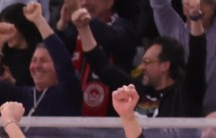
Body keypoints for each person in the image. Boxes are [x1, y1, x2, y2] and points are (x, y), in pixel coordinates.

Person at [75, 6, 206, 118]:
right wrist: (83, 28)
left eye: (147, 62)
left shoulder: (185, 94)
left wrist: (195, 18)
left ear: (164, 65)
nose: (142, 67)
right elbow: (103, 67)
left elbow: (198, 57)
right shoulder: (137, 91)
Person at [0, 2, 83, 117]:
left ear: (56, 66)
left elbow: (64, 63)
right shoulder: (23, 95)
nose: (37, 66)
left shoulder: (69, 92)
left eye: (43, 60)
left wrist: (39, 20)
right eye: (34, 60)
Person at [150, 0, 216, 115]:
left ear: (214, 8)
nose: (198, 7)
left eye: (206, 2)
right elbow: (159, 4)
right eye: (192, 2)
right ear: (183, 8)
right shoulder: (172, 29)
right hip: (181, 115)